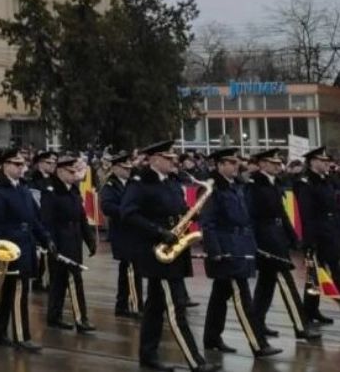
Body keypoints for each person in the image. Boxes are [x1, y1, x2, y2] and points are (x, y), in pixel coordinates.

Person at [121, 141, 218, 372]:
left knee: (154, 308)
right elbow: (128, 214)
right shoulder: (141, 183)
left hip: (174, 251)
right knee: (176, 308)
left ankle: (148, 356)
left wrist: (191, 214)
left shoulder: (172, 182)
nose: (173, 160)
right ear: (154, 159)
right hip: (157, 253)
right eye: (167, 157)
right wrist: (158, 232)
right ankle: (196, 362)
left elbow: (178, 209)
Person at [199, 148, 281, 358]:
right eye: (231, 162)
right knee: (243, 299)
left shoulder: (236, 186)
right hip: (227, 250)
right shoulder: (212, 188)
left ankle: (211, 338)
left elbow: (245, 220)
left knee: (220, 296)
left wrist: (251, 245)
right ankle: (258, 344)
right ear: (219, 165)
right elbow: (207, 223)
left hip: (240, 246)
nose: (236, 166)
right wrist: (215, 250)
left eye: (237, 162)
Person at [247, 148, 320, 341]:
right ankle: (300, 326)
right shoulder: (254, 185)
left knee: (266, 286)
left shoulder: (272, 184)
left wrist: (293, 237)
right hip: (266, 240)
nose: (278, 166)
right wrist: (256, 244)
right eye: (273, 163)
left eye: (279, 163)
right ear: (262, 164)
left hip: (277, 236)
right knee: (286, 283)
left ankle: (257, 324)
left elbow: (282, 214)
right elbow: (251, 217)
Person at [0, 149, 53, 352]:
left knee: (11, 293)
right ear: (5, 165)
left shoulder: (22, 188)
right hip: (9, 248)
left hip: (26, 245)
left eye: (22, 164)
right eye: (16, 164)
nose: (20, 168)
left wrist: (46, 238)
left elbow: (33, 219)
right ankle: (21, 337)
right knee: (17, 294)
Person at [41, 155, 96, 333]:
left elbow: (81, 216)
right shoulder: (51, 191)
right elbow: (47, 220)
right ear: (60, 171)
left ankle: (55, 316)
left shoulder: (72, 190)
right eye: (71, 172)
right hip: (60, 242)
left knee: (65, 281)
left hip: (74, 239)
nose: (74, 175)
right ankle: (80, 319)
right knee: (67, 280)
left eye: (75, 171)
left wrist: (90, 240)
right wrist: (51, 242)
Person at [294, 146, 340, 326]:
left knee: (327, 273)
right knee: (318, 275)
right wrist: (310, 241)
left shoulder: (327, 180)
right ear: (313, 162)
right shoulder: (305, 183)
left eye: (327, 161)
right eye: (323, 161)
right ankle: (309, 311)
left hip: (331, 230)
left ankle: (311, 310)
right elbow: (307, 214)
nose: (327, 164)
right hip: (318, 233)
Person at [101, 151, 143, 318]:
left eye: (129, 167)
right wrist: (127, 212)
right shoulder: (110, 185)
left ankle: (123, 305)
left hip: (134, 231)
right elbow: (107, 207)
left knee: (131, 269)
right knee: (131, 269)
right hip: (122, 232)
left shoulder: (133, 183)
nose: (128, 170)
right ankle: (134, 305)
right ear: (116, 168)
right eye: (124, 168)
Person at [27, 150, 57, 291]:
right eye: (49, 162)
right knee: (41, 253)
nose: (53, 165)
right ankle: (39, 281)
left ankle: (50, 280)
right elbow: (35, 203)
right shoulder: (33, 181)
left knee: (52, 253)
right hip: (40, 221)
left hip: (52, 221)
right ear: (40, 163)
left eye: (54, 162)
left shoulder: (54, 180)